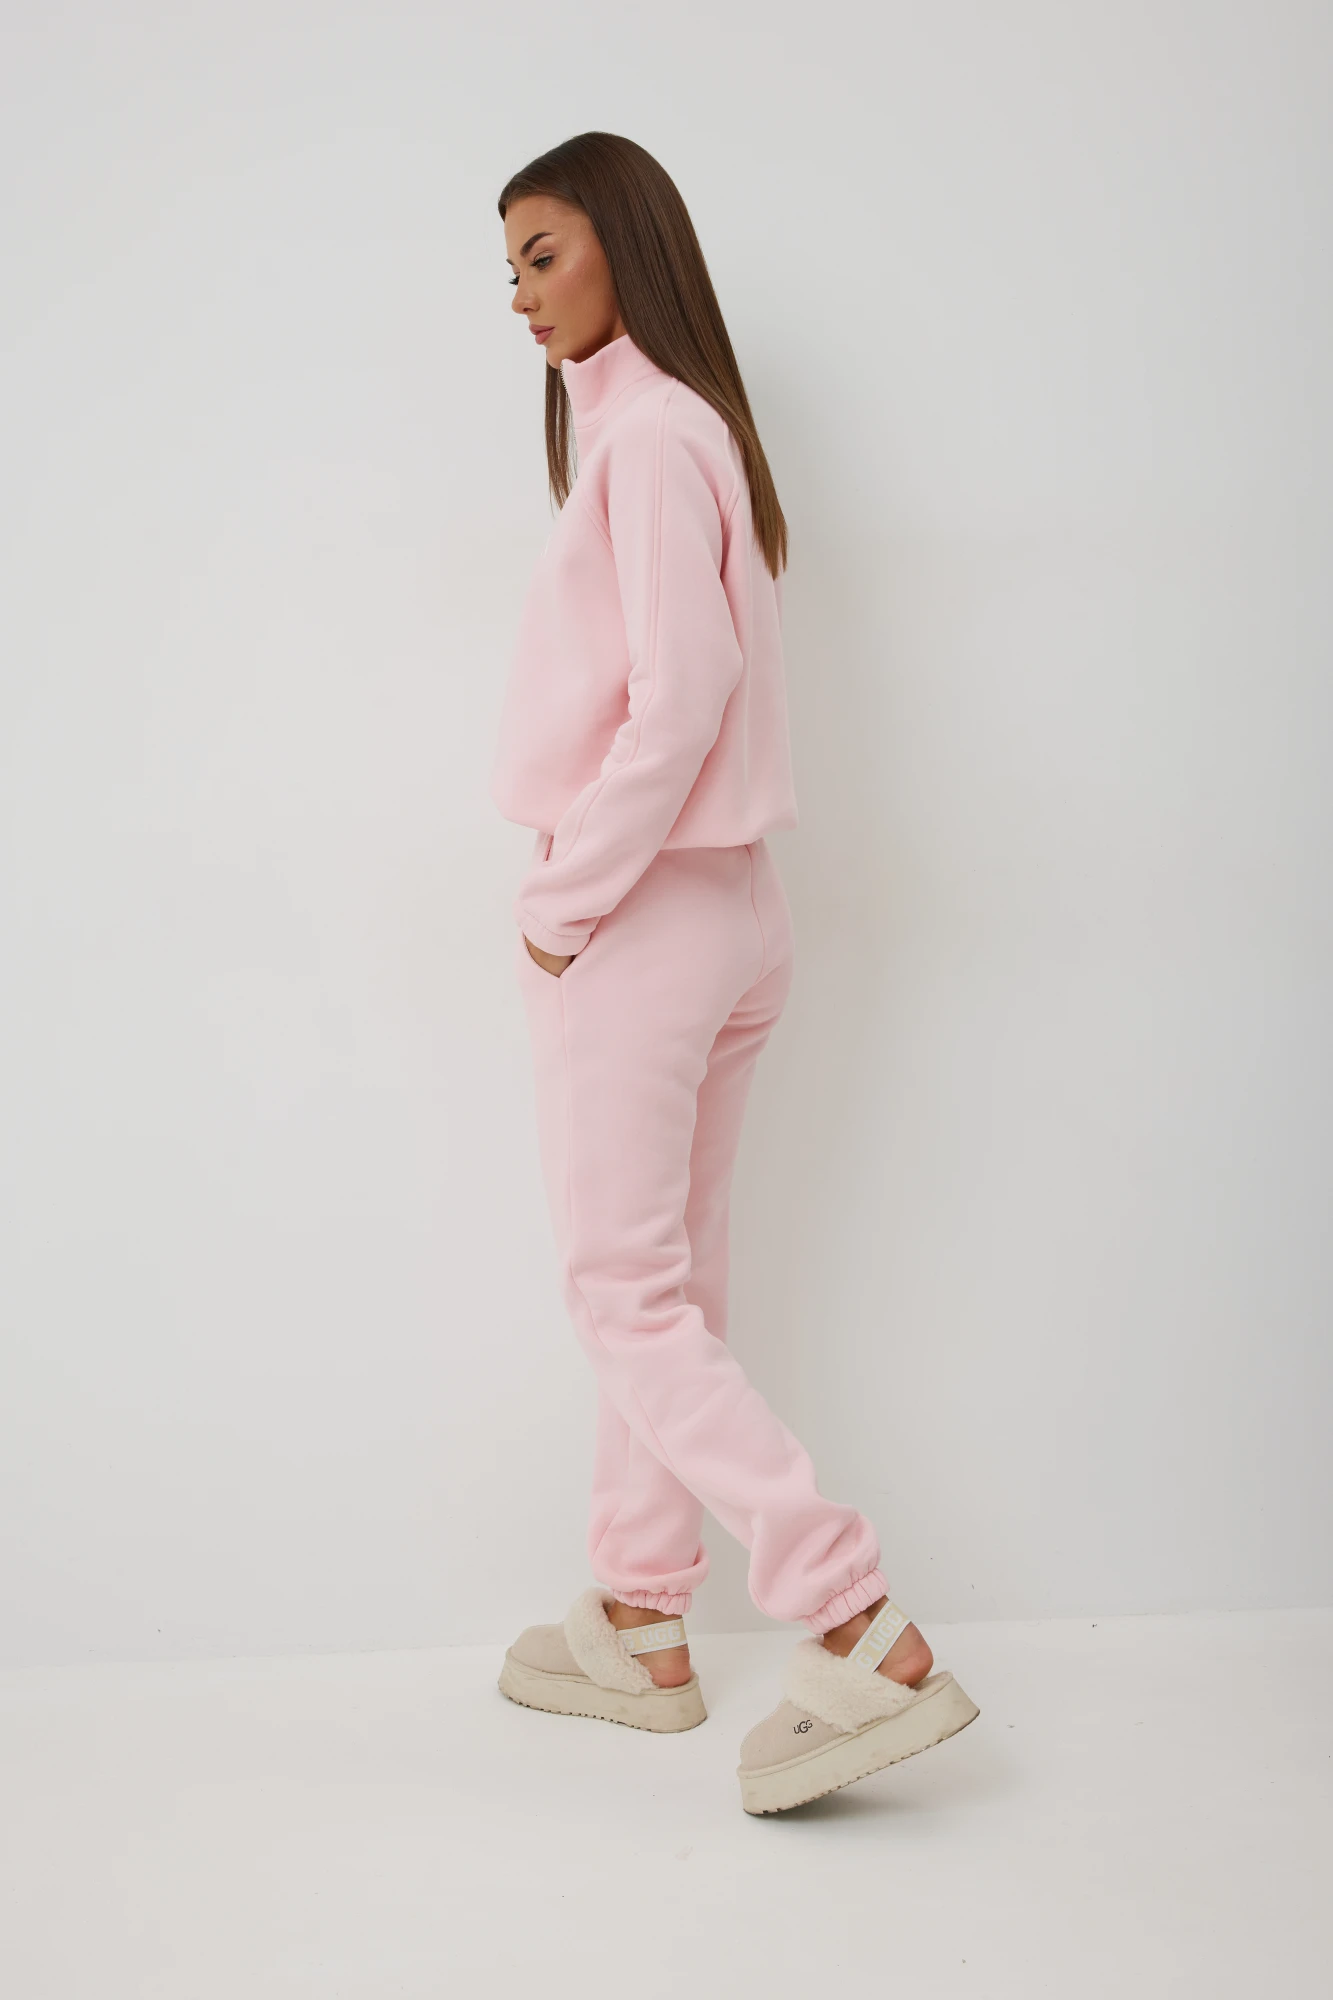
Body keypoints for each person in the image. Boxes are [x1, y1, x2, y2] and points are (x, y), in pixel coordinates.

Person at [489, 131, 978, 1813]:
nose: (521, 295)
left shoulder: (648, 436)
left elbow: (677, 699)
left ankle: (854, 1619)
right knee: (671, 1293)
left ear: (624, 245)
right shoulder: (681, 430)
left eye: (544, 254)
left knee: (623, 1298)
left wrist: (565, 899)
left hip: (644, 917)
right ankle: (641, 1615)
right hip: (733, 912)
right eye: (510, 267)